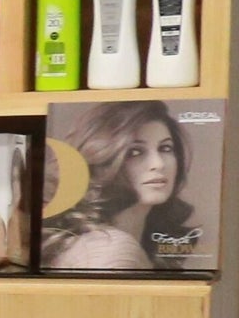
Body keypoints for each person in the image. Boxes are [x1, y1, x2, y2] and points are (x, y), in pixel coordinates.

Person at [42, 100, 198, 273]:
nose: (158, 164)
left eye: (165, 148)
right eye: (135, 152)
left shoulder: (111, 242)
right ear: (102, 161)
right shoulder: (114, 249)